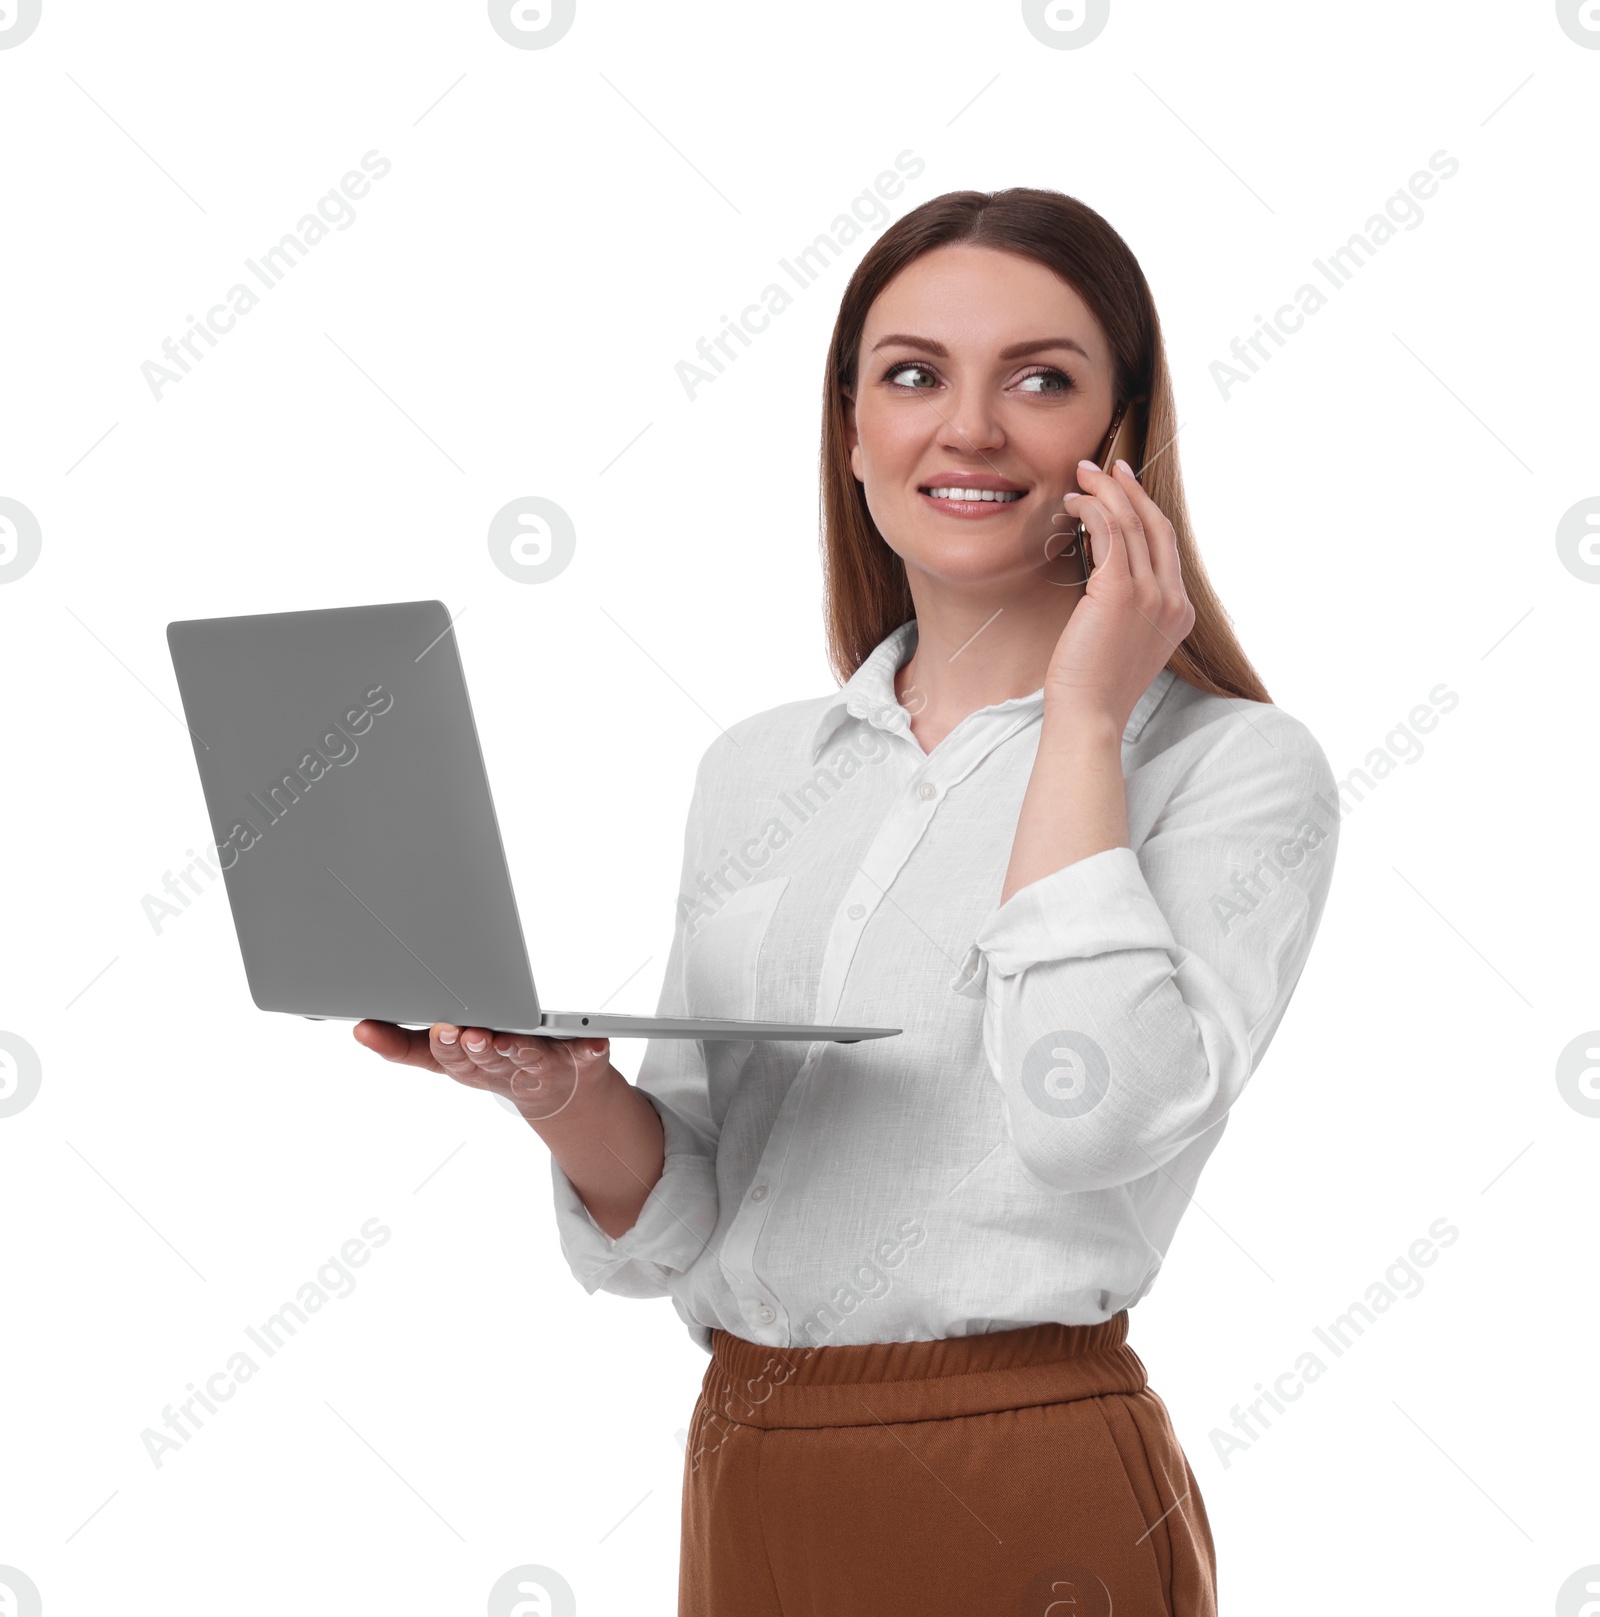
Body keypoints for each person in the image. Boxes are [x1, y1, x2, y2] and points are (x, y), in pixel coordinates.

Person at [354, 186, 1339, 1616]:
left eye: (1043, 379)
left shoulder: (1230, 767)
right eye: (914, 374)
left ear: (1120, 442)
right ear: (853, 428)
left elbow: (1095, 1116)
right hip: (749, 1467)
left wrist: (1081, 722)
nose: (971, 427)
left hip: (1026, 1472)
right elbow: (685, 1224)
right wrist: (558, 1092)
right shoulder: (760, 772)